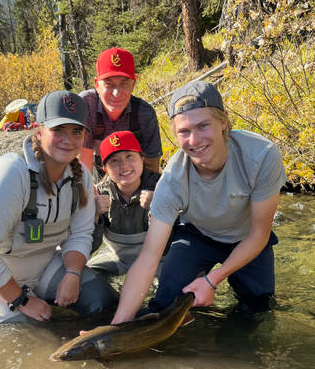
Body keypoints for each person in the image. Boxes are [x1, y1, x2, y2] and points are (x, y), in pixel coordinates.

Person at [111, 80, 287, 324]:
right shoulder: (172, 180)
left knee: (258, 309)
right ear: (175, 134)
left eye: (203, 126)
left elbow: (259, 234)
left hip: (247, 237)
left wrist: (212, 279)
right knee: (165, 306)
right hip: (197, 236)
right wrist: (115, 330)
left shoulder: (261, 156)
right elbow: (148, 258)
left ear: (223, 121)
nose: (194, 140)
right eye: (184, 131)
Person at [0, 91, 119, 324]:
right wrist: (22, 300)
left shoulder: (81, 176)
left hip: (44, 268)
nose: (68, 139)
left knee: (103, 301)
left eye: (76, 132)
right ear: (38, 131)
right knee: (28, 335)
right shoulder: (11, 174)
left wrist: (73, 274)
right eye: (58, 130)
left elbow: (81, 234)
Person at [88, 130, 165, 280]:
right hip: (117, 258)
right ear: (106, 169)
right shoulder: (99, 194)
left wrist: (162, 208)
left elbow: (181, 239)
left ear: (142, 158)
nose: (123, 165)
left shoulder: (163, 187)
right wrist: (95, 215)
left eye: (129, 156)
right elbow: (90, 247)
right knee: (85, 277)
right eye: (114, 161)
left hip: (159, 261)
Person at [78, 47, 163, 177]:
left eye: (124, 84)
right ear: (97, 85)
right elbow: (83, 170)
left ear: (133, 85)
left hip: (134, 183)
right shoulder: (86, 106)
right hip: (95, 178)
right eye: (109, 84)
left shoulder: (145, 114)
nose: (116, 94)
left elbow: (152, 172)